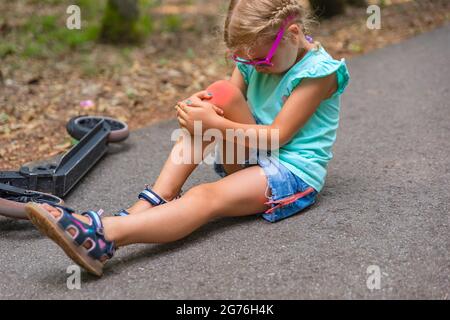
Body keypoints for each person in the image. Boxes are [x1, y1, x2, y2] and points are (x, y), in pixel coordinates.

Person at [26, 0, 350, 276]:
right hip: (252, 150)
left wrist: (214, 123)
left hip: (290, 172)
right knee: (220, 92)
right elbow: (230, 100)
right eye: (244, 60)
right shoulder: (255, 57)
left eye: (261, 61)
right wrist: (203, 108)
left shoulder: (318, 73)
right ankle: (152, 201)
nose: (254, 68)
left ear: (293, 33)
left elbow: (277, 137)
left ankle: (104, 235)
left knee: (204, 197)